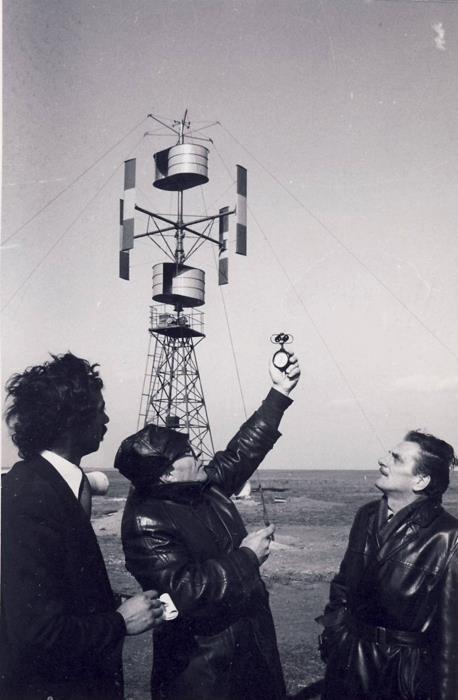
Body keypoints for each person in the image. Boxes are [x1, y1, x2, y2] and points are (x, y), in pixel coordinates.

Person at [115, 355, 301, 700]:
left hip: (251, 650)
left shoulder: (200, 487)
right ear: (166, 473)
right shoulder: (145, 521)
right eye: (187, 452)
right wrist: (247, 557)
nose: (198, 453)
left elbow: (241, 453)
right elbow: (183, 592)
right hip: (204, 673)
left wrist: (279, 393)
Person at [0, 352, 164, 700]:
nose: (106, 418)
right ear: (71, 418)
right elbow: (37, 632)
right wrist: (120, 622)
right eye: (99, 408)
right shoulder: (32, 495)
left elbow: (54, 590)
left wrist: (112, 602)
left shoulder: (47, 485)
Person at [318, 430, 458, 700]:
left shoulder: (449, 536)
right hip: (348, 665)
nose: (382, 460)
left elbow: (451, 639)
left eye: (396, 458)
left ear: (420, 480)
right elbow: (343, 585)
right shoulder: (366, 515)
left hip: (402, 678)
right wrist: (335, 637)